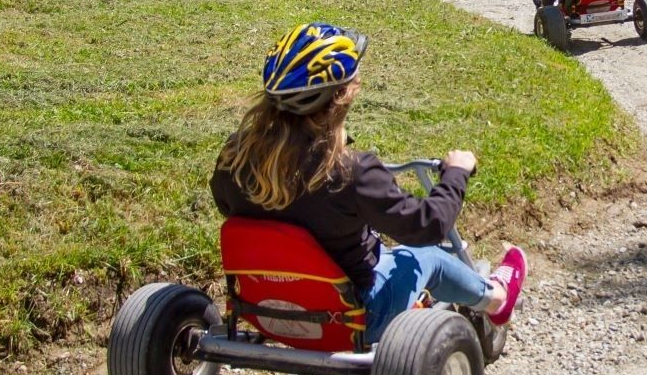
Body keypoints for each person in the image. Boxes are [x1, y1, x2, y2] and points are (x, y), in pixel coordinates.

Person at [211, 22, 525, 345]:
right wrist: (456, 173)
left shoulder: (234, 159)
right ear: (340, 96)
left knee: (381, 254)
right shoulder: (351, 173)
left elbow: (226, 205)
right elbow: (429, 224)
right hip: (351, 320)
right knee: (425, 255)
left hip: (264, 310)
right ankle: (498, 299)